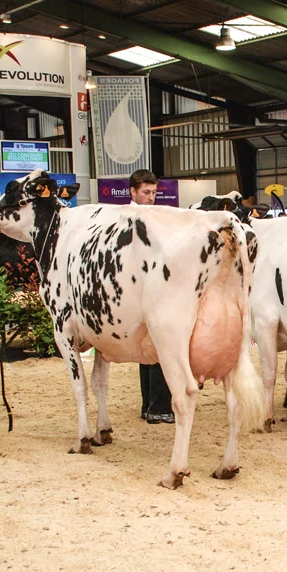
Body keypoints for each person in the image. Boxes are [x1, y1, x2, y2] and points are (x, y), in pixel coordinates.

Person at [129, 169, 174, 425]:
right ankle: (159, 407)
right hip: (146, 288)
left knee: (147, 348)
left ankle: (149, 405)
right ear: (133, 192)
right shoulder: (129, 218)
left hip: (146, 287)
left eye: (154, 192)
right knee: (159, 346)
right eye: (146, 192)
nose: (151, 197)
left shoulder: (156, 217)